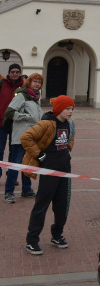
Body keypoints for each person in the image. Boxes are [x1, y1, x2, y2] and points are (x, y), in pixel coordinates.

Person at [21, 95, 75, 255]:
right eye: (67, 108)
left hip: (65, 171)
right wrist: (40, 155)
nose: (71, 111)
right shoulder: (46, 123)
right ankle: (32, 240)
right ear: (59, 109)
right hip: (49, 171)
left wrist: (66, 153)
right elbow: (26, 137)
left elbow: (69, 141)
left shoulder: (71, 124)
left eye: (72, 108)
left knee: (62, 205)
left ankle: (57, 235)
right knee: (41, 205)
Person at [4, 72, 44, 202]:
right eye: (35, 81)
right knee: (16, 164)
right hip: (21, 136)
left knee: (28, 164)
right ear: (29, 82)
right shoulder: (21, 95)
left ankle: (26, 190)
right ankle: (9, 192)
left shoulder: (35, 97)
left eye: (39, 82)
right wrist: (26, 117)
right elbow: (9, 112)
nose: (37, 84)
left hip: (32, 137)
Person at [0, 63, 24, 176]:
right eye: (12, 72)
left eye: (17, 72)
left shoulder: (24, 86)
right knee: (0, 150)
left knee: (13, 152)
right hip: (1, 123)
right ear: (9, 73)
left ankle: (11, 173)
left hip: (16, 124)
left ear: (20, 73)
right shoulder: (2, 84)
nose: (15, 74)